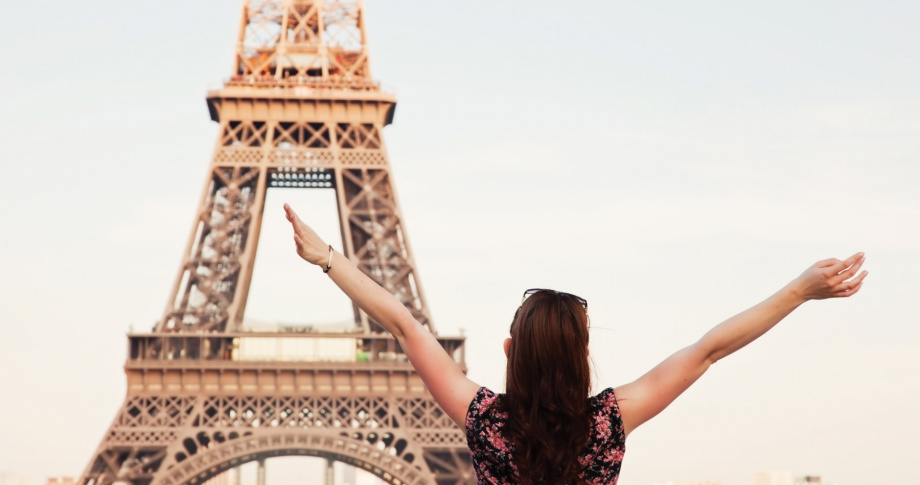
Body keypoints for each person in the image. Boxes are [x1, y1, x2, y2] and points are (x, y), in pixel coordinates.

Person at [283, 203, 867, 485]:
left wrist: (327, 258)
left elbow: (405, 325)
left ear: (511, 351)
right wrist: (800, 291)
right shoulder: (612, 420)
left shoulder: (483, 418)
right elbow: (710, 348)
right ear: (582, 357)